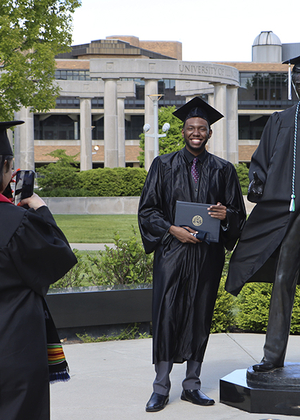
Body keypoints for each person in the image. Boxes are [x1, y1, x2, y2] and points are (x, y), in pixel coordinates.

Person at [138, 97, 246, 412]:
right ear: (183, 131)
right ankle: (160, 386)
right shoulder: (163, 164)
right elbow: (147, 210)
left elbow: (237, 214)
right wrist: (172, 229)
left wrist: (227, 215)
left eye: (201, 128)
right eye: (190, 127)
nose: (196, 132)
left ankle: (192, 385)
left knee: (200, 316)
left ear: (209, 133)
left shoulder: (224, 170)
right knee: (166, 314)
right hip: (172, 253)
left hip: (207, 256)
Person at [226, 56, 300, 373]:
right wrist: (258, 184)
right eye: (297, 75)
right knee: (283, 279)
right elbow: (262, 161)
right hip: (289, 213)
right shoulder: (281, 120)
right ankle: (272, 356)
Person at [0, 120, 77, 420]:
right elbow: (58, 258)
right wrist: (41, 210)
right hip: (13, 347)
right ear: (7, 169)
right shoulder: (16, 223)